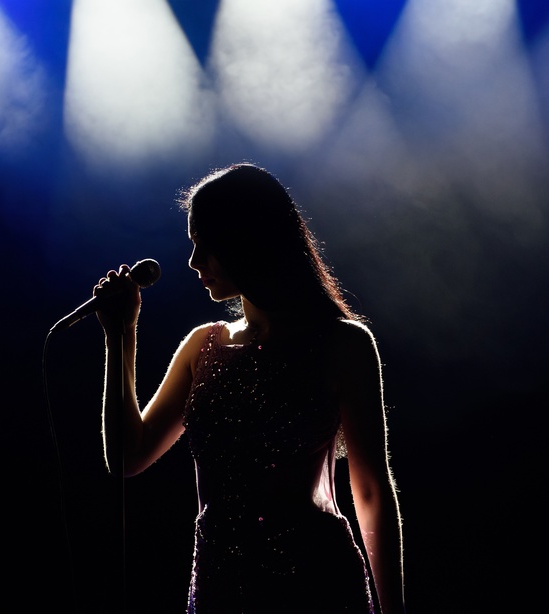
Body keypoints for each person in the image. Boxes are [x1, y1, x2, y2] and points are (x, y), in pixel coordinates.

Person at [94, 163, 404, 613]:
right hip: (222, 589)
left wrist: (394, 609)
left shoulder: (343, 344)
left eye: (206, 244)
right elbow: (127, 456)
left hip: (317, 587)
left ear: (249, 240)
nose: (194, 262)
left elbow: (372, 489)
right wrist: (120, 335)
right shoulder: (203, 347)